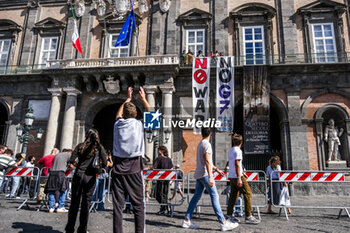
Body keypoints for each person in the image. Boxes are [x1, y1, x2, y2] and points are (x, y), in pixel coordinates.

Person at [182, 127, 238, 231]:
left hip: (199, 174)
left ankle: (187, 220)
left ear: (202, 134)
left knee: (196, 197)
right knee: (214, 196)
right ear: (210, 133)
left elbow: (206, 160)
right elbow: (207, 161)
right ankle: (223, 222)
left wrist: (216, 169)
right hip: (205, 174)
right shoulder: (207, 144)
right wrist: (211, 176)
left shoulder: (200, 144)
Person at [111, 86, 150, 233]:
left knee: (118, 206)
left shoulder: (117, 124)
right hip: (134, 167)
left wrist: (127, 99)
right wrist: (144, 99)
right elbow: (152, 113)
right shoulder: (139, 124)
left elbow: (118, 115)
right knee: (139, 205)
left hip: (118, 168)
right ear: (135, 114)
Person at [65, 128, 108, 233]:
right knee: (86, 204)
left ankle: (70, 228)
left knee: (74, 203)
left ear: (86, 135)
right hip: (90, 177)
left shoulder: (80, 146)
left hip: (78, 176)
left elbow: (71, 161)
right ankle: (82, 229)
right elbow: (105, 163)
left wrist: (78, 165)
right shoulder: (99, 148)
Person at [227, 133, 260, 224]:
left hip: (232, 176)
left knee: (233, 196)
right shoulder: (238, 151)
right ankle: (248, 216)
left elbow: (235, 164)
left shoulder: (231, 150)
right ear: (241, 142)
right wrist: (239, 177)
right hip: (237, 176)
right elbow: (237, 164)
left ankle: (229, 215)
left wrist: (241, 173)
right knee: (248, 193)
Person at [45, 148, 72, 213]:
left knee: (52, 190)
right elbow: (72, 164)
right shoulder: (68, 155)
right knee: (63, 189)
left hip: (52, 173)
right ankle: (60, 207)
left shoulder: (57, 155)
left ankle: (51, 208)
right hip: (60, 173)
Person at [153, 145, 173, 215]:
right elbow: (171, 169)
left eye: (158, 150)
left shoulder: (159, 159)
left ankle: (165, 206)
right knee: (165, 194)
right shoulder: (169, 159)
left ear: (161, 151)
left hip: (160, 179)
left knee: (158, 194)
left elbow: (154, 167)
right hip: (167, 179)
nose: (157, 151)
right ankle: (164, 208)